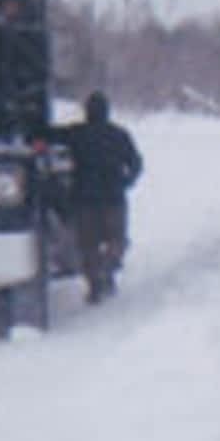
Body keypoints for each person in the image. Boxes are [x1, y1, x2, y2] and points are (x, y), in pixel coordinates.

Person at [61, 90, 143, 303]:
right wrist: (127, 181)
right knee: (117, 240)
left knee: (88, 245)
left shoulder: (76, 134)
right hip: (113, 197)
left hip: (84, 198)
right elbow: (135, 163)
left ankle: (95, 284)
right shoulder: (119, 135)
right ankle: (108, 269)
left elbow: (50, 136)